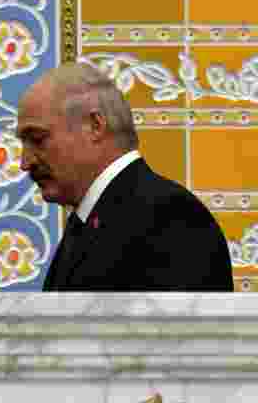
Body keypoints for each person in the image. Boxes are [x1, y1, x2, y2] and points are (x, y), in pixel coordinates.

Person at [16, 62, 233, 291]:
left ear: (95, 126)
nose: (25, 163)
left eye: (38, 139)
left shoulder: (170, 217)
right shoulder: (86, 222)